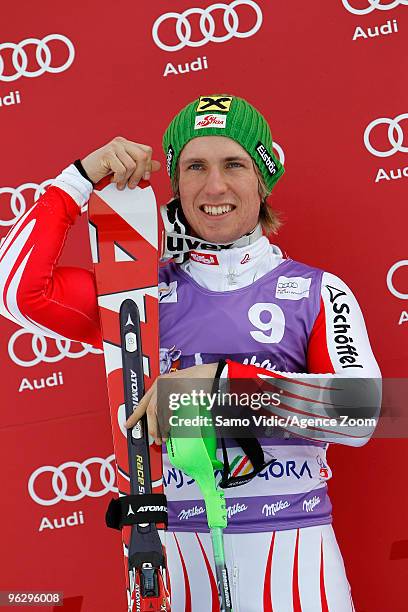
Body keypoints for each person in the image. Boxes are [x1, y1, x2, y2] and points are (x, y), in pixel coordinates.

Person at [0, 95, 381, 611]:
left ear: (263, 179)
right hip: (170, 554)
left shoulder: (316, 290)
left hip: (295, 552)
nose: (215, 186)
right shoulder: (135, 293)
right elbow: (18, 292)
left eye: (234, 165)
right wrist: (77, 179)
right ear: (175, 183)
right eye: (194, 167)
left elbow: (363, 412)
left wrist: (223, 387)